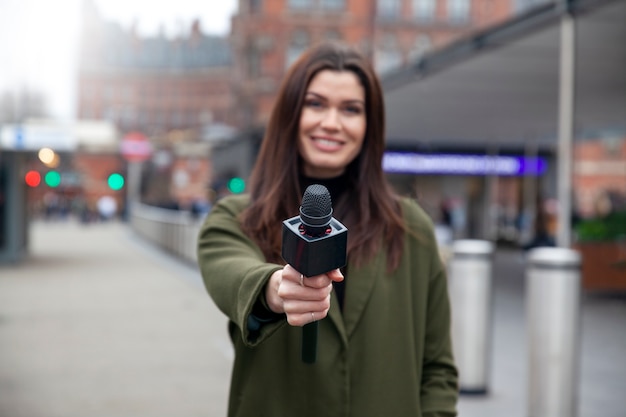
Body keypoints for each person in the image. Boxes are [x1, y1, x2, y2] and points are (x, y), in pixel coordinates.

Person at [197, 42, 458, 417]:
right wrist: (274, 291)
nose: (332, 123)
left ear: (370, 125)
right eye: (316, 104)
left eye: (351, 109)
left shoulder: (410, 228)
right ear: (290, 113)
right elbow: (231, 273)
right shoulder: (237, 218)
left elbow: (437, 368)